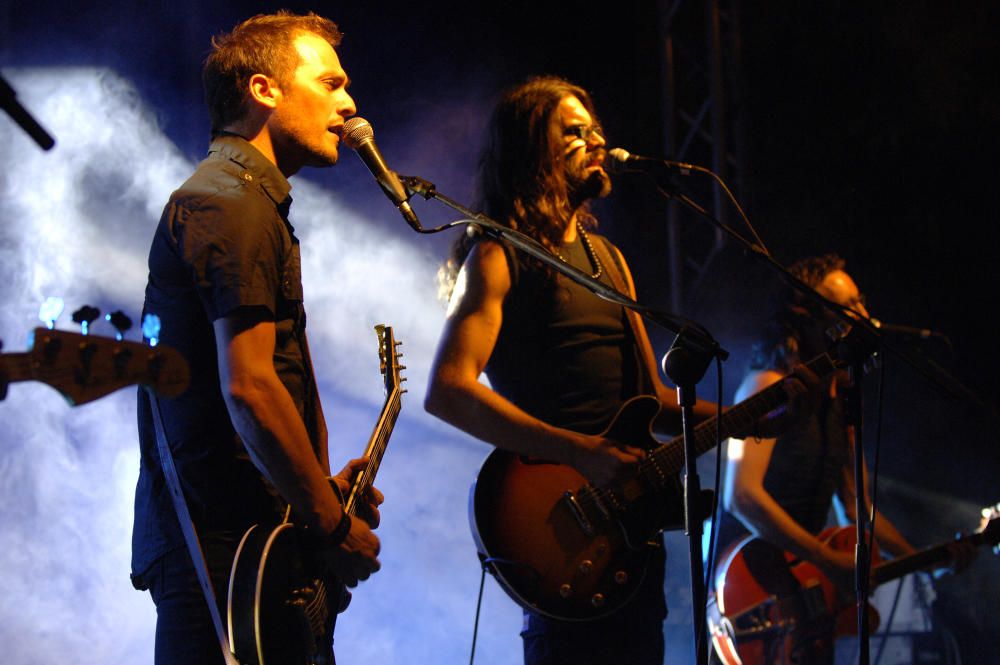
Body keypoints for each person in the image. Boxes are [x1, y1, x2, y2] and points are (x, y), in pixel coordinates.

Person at [424, 76, 807, 665]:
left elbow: (650, 400)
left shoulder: (610, 261)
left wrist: (744, 418)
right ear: (533, 151)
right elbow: (447, 391)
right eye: (573, 132)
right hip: (557, 529)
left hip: (630, 538)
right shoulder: (499, 255)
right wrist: (580, 452)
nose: (596, 140)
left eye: (594, 128)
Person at [130, 12, 381, 664]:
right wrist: (330, 518)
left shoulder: (250, 202)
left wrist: (317, 484)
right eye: (330, 83)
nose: (348, 101)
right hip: (221, 556)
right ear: (264, 90)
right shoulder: (229, 201)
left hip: (251, 548)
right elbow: (249, 385)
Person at [712, 254, 919, 664]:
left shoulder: (841, 402)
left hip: (803, 583)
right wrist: (827, 559)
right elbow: (742, 496)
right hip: (748, 587)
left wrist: (924, 559)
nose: (861, 315)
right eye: (844, 306)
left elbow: (857, 504)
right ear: (804, 313)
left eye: (860, 302)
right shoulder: (766, 386)